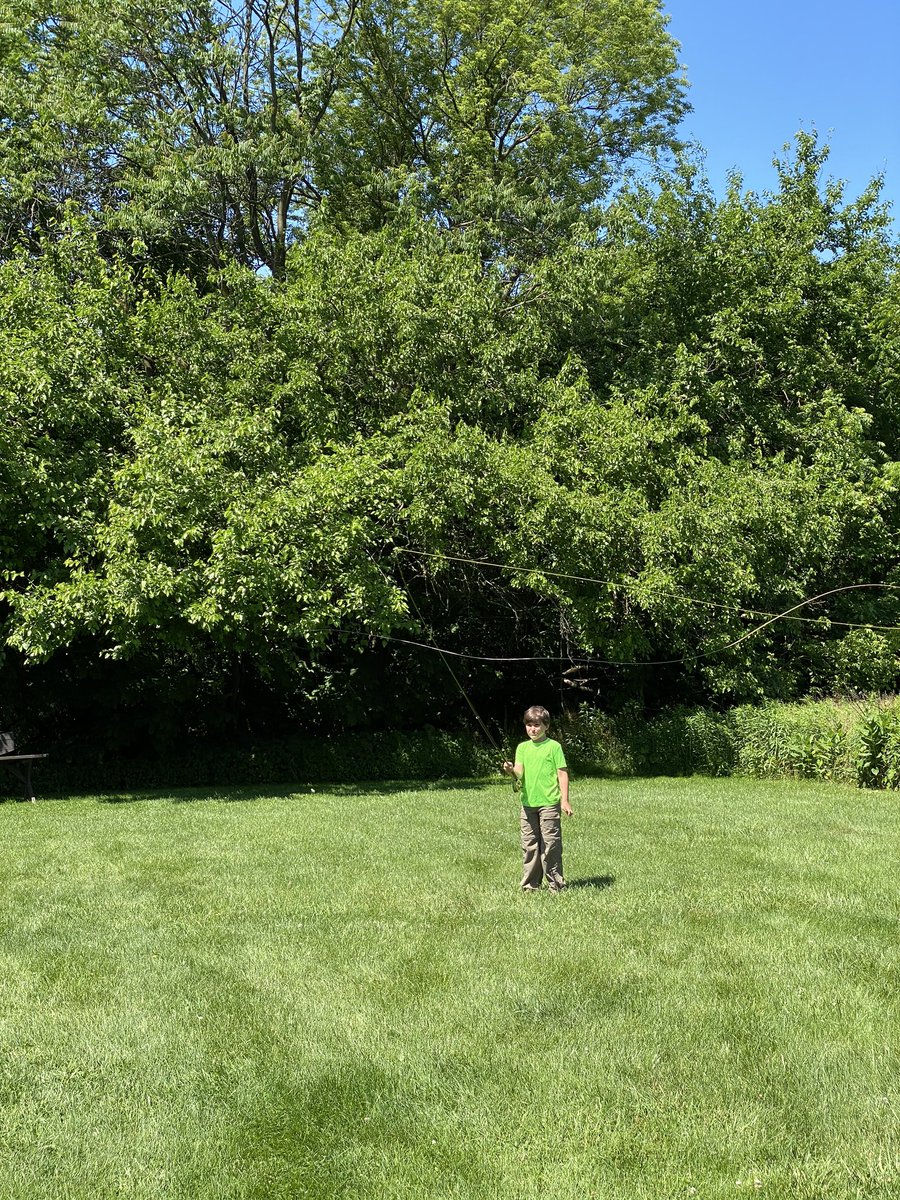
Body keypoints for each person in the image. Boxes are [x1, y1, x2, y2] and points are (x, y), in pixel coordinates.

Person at [502, 705, 572, 893]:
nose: (533, 729)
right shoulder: (522, 748)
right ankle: (530, 886)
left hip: (549, 803)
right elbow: (519, 773)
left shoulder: (553, 747)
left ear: (546, 726)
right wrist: (510, 771)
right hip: (527, 804)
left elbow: (562, 774)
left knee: (550, 844)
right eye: (529, 725)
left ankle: (556, 885)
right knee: (529, 845)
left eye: (537, 725)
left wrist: (564, 800)